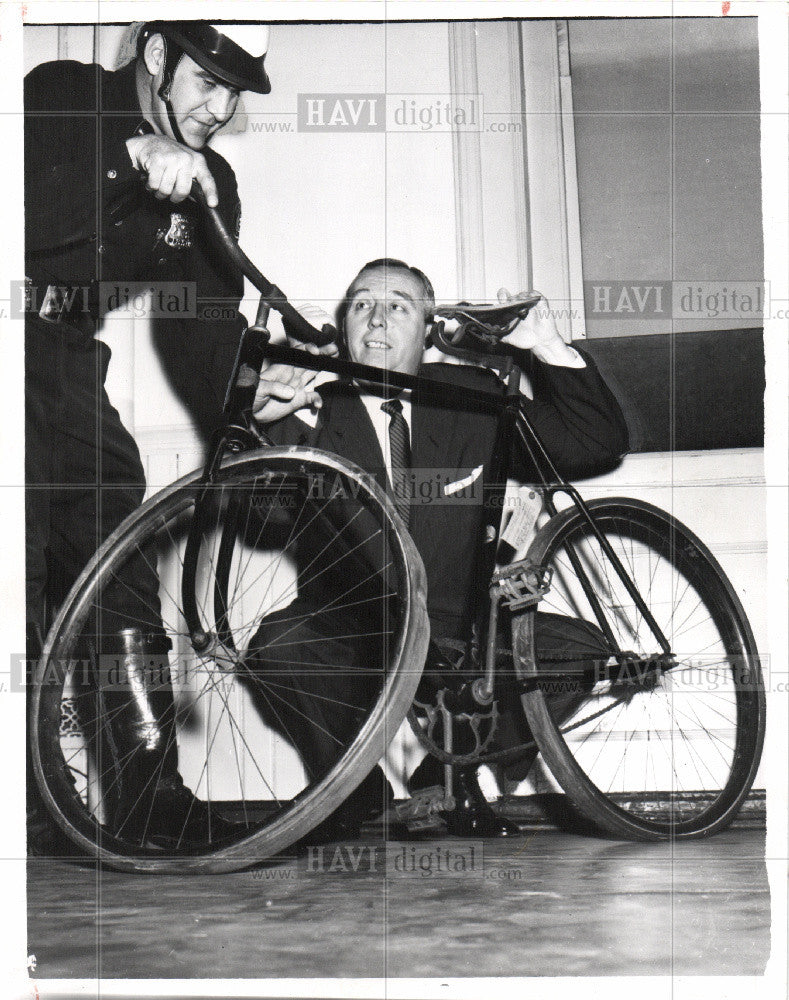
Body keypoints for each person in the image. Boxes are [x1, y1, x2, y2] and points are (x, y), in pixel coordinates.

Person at [246, 258, 629, 839]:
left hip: (461, 629)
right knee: (281, 644)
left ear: (427, 329)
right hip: (357, 627)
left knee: (577, 650)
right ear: (344, 326)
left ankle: (454, 771)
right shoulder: (312, 407)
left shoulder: (469, 397)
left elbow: (593, 443)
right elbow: (260, 519)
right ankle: (350, 790)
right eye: (361, 305)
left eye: (398, 305)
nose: (377, 319)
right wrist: (262, 429)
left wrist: (547, 346)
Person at [25, 21, 271, 849]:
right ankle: (33, 800)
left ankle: (147, 801)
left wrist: (251, 394)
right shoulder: (58, 98)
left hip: (61, 359)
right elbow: (32, 219)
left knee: (114, 554)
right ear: (158, 58)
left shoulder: (210, 180)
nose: (222, 108)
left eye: (237, 91)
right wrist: (124, 159)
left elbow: (203, 326)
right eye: (209, 82)